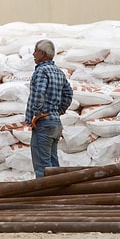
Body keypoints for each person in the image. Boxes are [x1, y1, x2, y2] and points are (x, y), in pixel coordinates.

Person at [24, 39, 73, 178]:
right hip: (55, 123)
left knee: (42, 167)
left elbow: (39, 93)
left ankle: (46, 197)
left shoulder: (41, 71)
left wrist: (37, 114)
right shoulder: (59, 72)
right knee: (53, 164)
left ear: (42, 53)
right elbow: (68, 94)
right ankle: (57, 196)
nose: (33, 54)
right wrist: (58, 111)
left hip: (43, 123)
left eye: (35, 51)